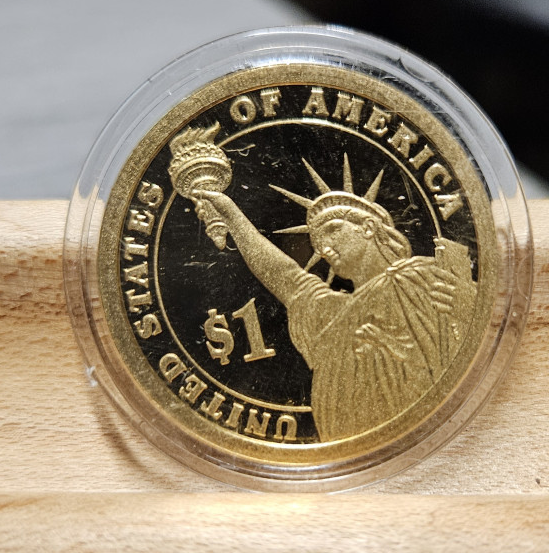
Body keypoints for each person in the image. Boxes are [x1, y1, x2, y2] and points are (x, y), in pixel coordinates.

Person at [197, 155, 476, 442]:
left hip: (433, 438)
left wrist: (468, 307)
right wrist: (230, 214)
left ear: (368, 227)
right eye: (317, 243)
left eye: (332, 230)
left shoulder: (423, 276)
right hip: (349, 446)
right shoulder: (332, 312)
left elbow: (470, 350)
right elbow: (285, 276)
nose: (324, 248)